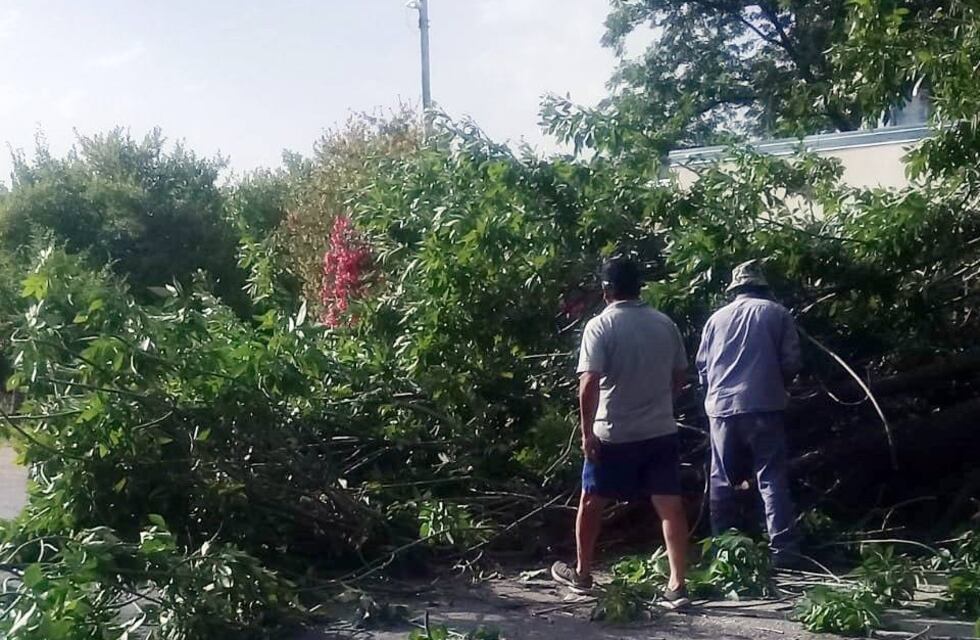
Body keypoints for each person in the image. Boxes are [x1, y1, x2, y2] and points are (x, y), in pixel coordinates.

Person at [551, 257, 691, 609]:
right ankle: (677, 584)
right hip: (660, 430)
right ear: (639, 287)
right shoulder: (664, 323)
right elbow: (679, 377)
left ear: (605, 290)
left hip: (614, 432)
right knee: (670, 506)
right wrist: (661, 403)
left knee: (591, 501)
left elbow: (588, 384)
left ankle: (583, 574)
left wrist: (586, 433)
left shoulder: (600, 326)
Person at [695, 259, 802, 568]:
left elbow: (703, 368)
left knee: (721, 481)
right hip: (765, 406)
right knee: (771, 478)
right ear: (762, 286)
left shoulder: (716, 319)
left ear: (736, 288)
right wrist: (777, 385)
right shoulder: (777, 314)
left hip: (722, 408)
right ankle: (783, 552)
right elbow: (791, 362)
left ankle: (724, 553)